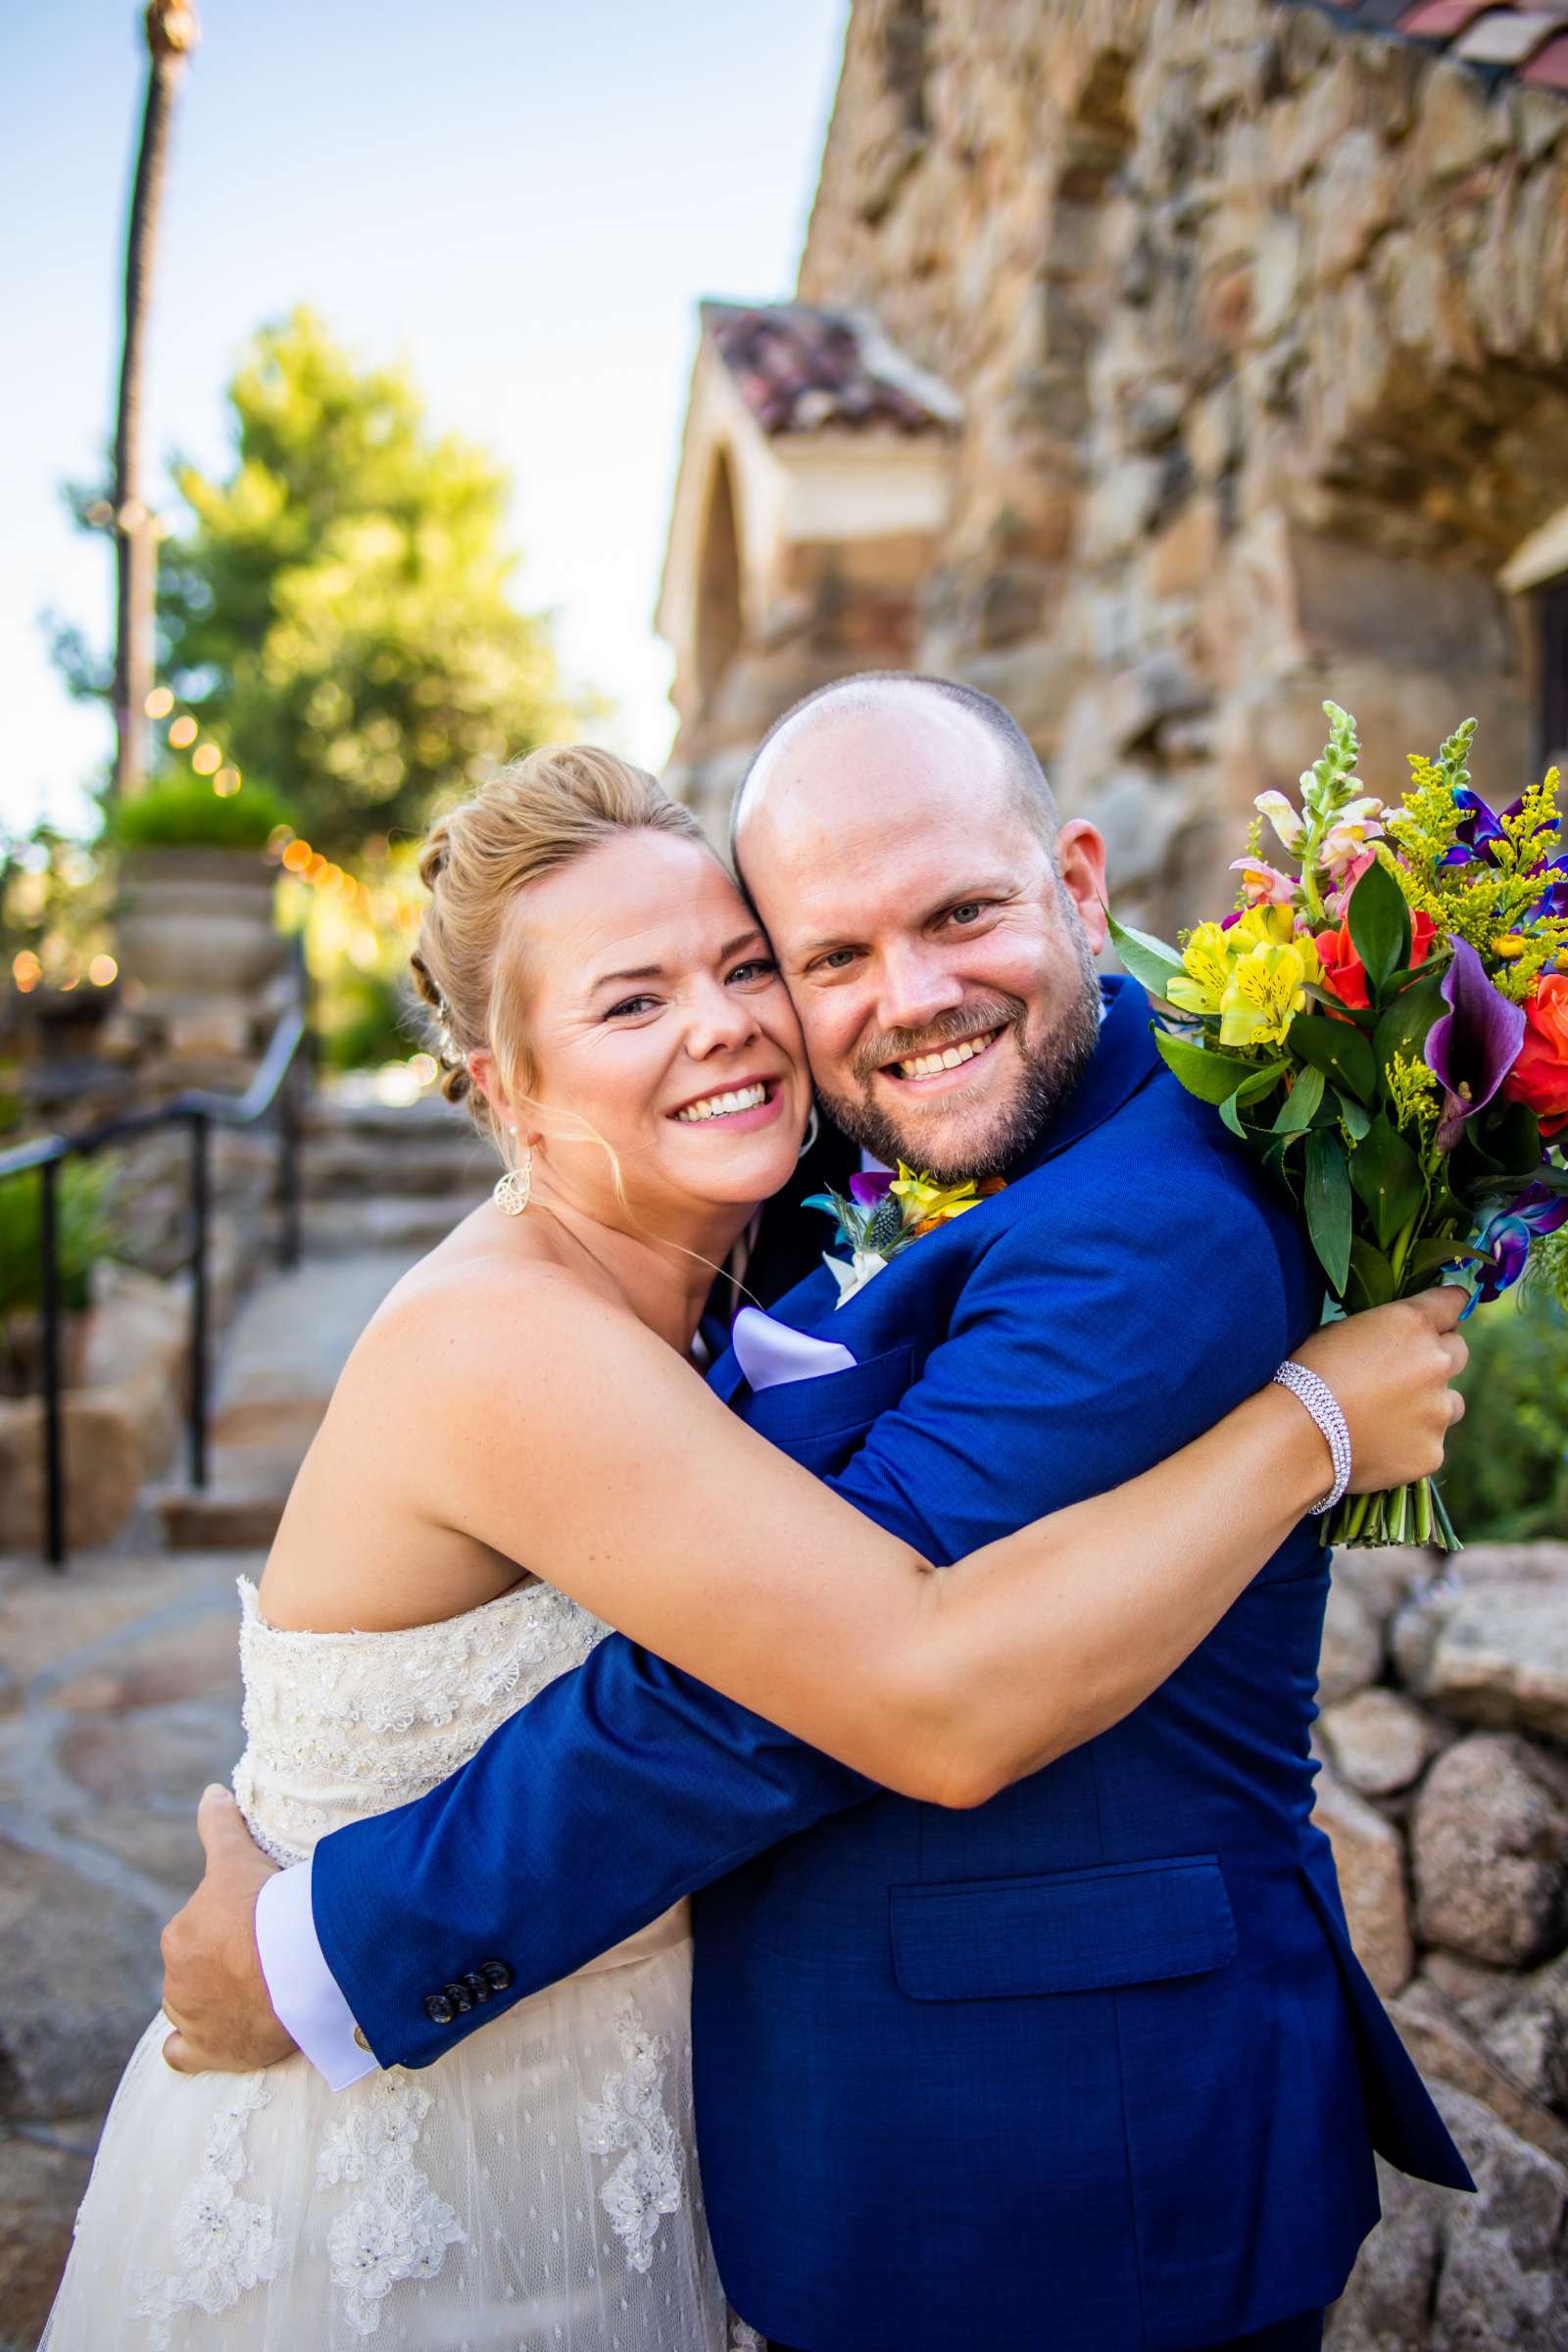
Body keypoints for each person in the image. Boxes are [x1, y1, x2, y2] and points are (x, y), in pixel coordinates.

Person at [65, 700, 1467, 2352]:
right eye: (807, 960)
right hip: (435, 2155)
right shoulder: (542, 1325)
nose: (741, 1028)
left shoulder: (1129, 1213)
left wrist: (325, 1952)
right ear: (504, 1088)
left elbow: (864, 1687)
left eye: (737, 972)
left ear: (1079, 888)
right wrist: (1310, 1428)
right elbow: (843, 1669)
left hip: (1063, 2163)